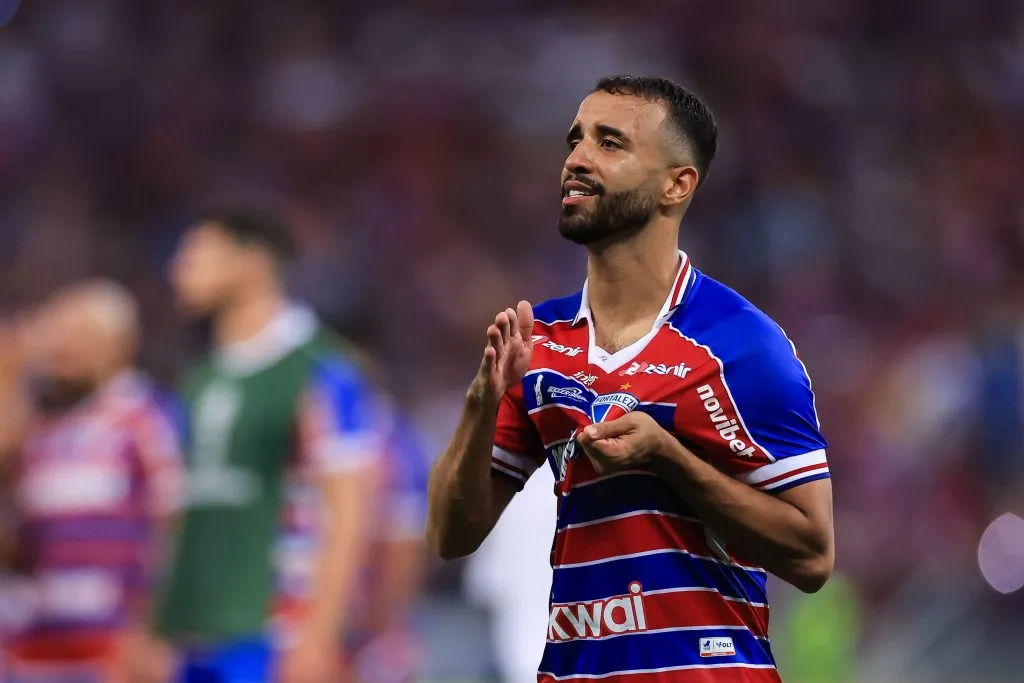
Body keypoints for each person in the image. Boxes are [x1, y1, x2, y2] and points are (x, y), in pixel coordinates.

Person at [426, 75, 834, 682]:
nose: (577, 158)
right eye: (576, 140)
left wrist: (669, 459)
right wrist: (480, 403)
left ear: (677, 184)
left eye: (609, 142)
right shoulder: (541, 342)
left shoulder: (743, 345)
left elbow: (812, 556)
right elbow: (450, 535)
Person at [154, 210, 385, 683]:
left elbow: (349, 510)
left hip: (275, 633)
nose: (177, 269)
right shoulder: (199, 380)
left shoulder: (319, 369)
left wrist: (319, 635)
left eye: (196, 255)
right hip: (195, 631)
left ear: (252, 263)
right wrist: (156, 624)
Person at [0, 281, 182, 683]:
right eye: (57, 333)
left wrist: (154, 630)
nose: (64, 347)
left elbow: (177, 525)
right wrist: (10, 373)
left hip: (111, 647)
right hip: (35, 647)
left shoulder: (144, 418)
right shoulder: (39, 428)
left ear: (120, 344)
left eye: (81, 335)